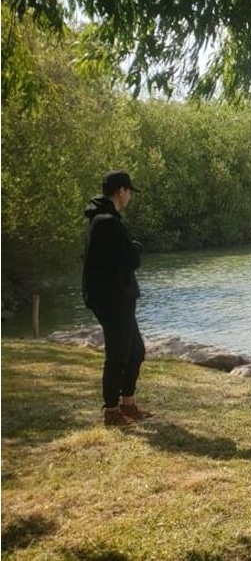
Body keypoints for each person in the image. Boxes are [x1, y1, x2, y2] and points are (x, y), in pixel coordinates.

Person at [83, 170, 151, 426]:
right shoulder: (107, 222)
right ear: (121, 191)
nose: (130, 196)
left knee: (135, 351)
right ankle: (112, 411)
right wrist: (135, 248)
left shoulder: (99, 219)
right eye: (129, 191)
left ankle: (128, 404)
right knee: (119, 353)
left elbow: (109, 259)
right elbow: (130, 260)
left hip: (115, 297)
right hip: (113, 299)